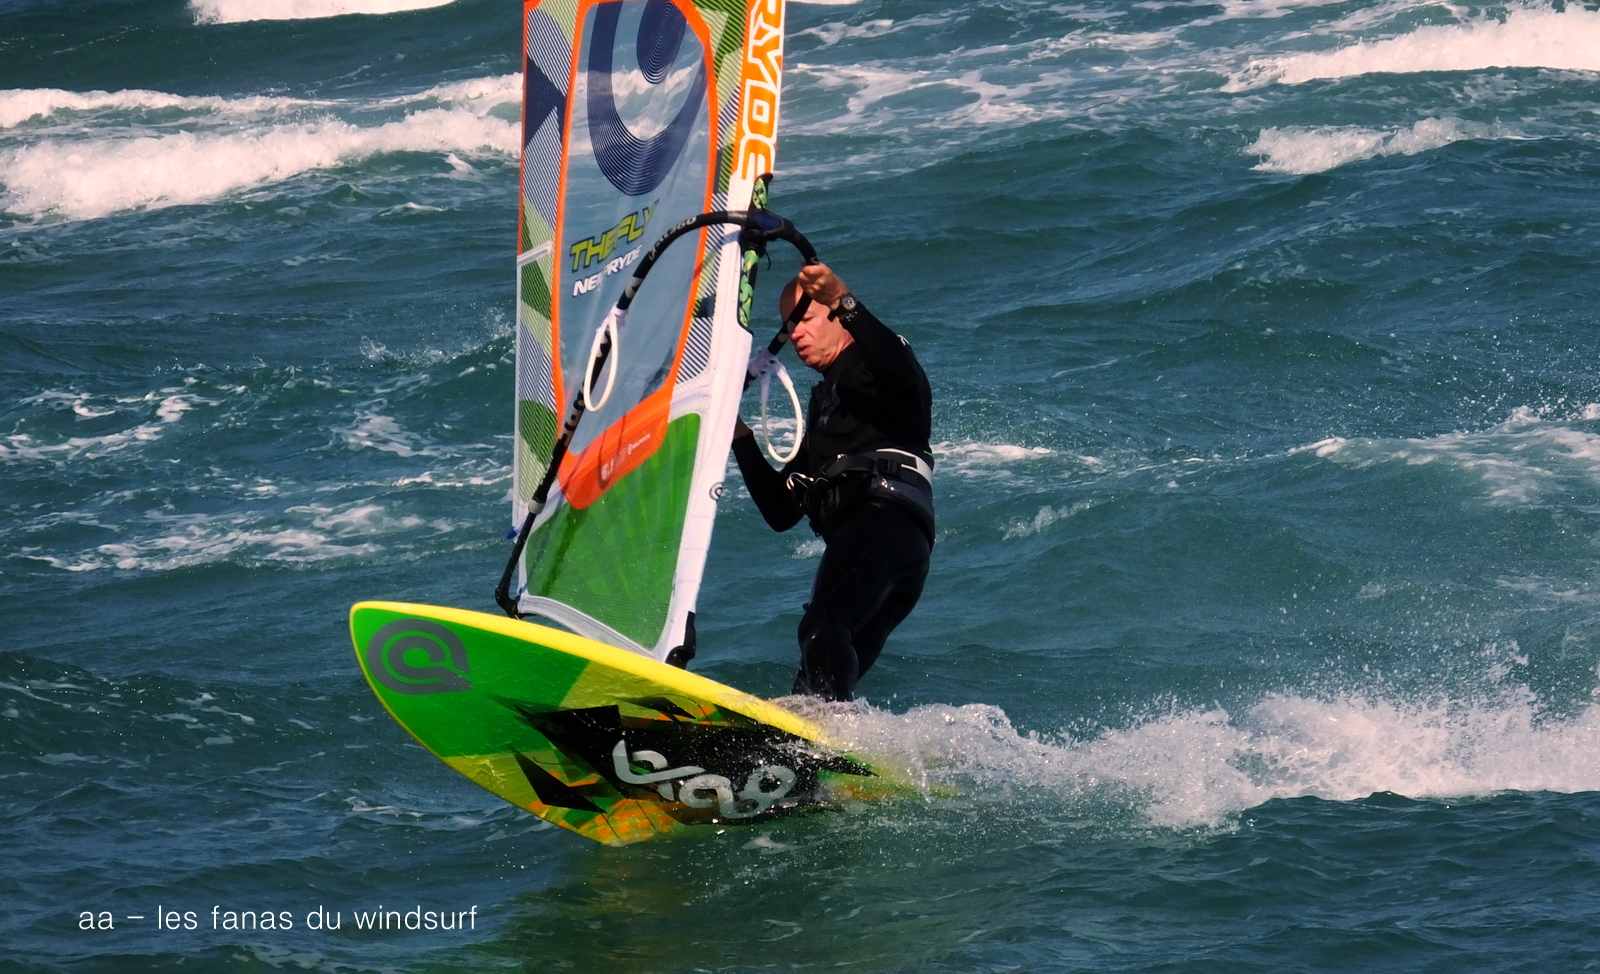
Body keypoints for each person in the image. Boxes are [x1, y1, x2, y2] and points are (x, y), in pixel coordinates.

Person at [731, 263, 934, 701]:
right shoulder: (827, 408)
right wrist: (735, 430)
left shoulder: (878, 363)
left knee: (822, 623)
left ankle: (829, 729)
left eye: (805, 319)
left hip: (885, 522)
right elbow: (780, 510)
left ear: (836, 316)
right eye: (790, 327)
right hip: (884, 544)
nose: (796, 335)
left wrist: (843, 298)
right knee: (815, 674)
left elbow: (896, 363)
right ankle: (812, 743)